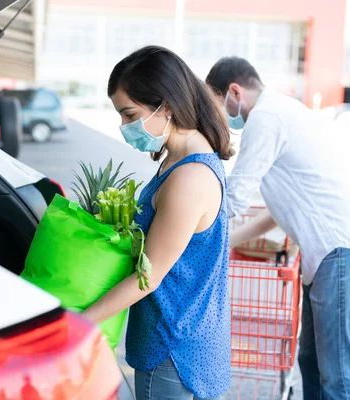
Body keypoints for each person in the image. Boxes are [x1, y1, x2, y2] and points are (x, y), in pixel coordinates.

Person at [206, 57, 350, 400]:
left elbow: (235, 196)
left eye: (217, 106)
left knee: (340, 374)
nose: (220, 115)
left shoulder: (266, 117)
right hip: (337, 250)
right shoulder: (283, 111)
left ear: (234, 91)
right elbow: (273, 215)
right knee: (312, 361)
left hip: (342, 249)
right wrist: (225, 240)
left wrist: (192, 229)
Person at [81, 46, 235, 400]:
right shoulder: (181, 159)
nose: (123, 126)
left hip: (173, 350)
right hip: (183, 340)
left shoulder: (190, 177)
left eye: (129, 114)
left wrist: (80, 322)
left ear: (165, 106)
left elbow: (147, 278)